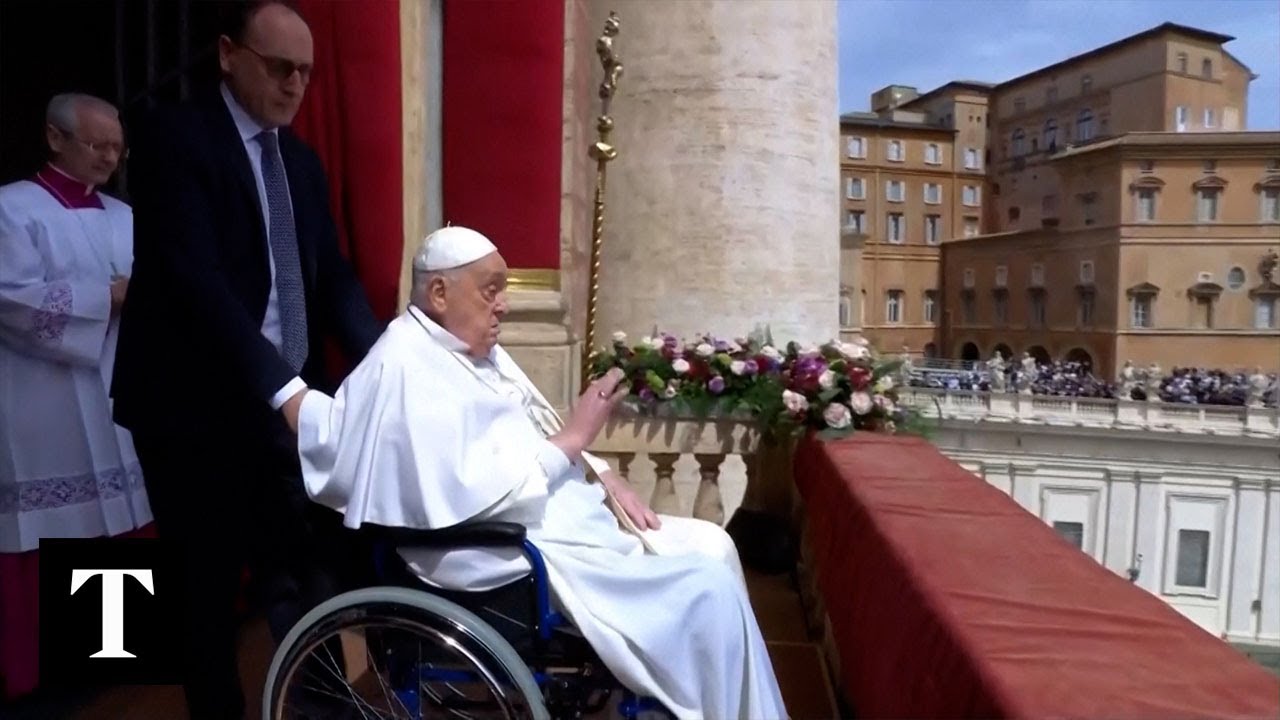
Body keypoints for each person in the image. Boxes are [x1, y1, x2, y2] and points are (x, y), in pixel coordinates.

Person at [288, 226, 790, 720]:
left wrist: (598, 472)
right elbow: (479, 491)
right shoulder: (405, 368)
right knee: (707, 587)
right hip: (506, 559)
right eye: (491, 291)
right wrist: (577, 436)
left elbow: (531, 432)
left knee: (715, 546)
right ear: (439, 292)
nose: (503, 305)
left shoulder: (469, 351)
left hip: (557, 524)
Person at [110, 1, 382, 716]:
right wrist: (280, 387)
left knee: (305, 574)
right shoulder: (174, 138)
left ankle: (316, 703)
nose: (296, 85)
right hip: (193, 409)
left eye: (308, 74)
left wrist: (393, 363)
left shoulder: (299, 158)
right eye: (281, 67)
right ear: (229, 53)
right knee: (204, 595)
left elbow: (334, 278)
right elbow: (196, 281)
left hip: (282, 407)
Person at [0, 92, 152, 700]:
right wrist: (104, 299)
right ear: (55, 137)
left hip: (118, 389)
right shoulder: (12, 209)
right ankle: (45, 678)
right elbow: (10, 297)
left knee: (125, 516)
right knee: (53, 522)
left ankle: (119, 657)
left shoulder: (125, 215)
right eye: (97, 145)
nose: (109, 158)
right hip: (42, 397)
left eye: (116, 148)